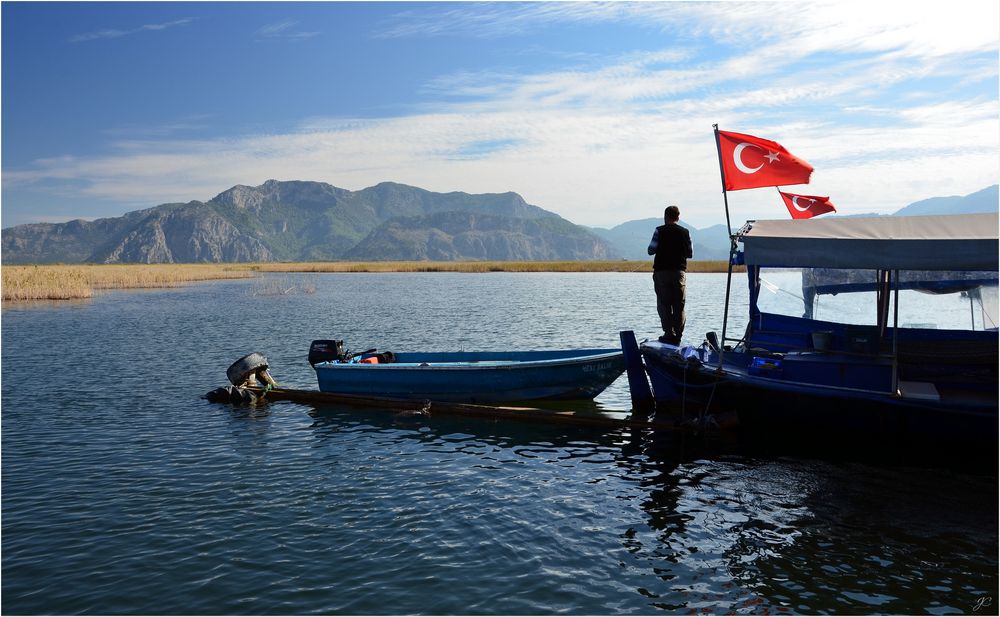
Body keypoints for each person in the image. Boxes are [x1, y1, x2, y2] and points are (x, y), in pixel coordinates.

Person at [648, 205, 693, 345]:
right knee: (679, 305)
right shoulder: (685, 232)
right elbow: (690, 253)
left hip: (661, 273)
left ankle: (668, 334)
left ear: (665, 217)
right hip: (679, 273)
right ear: (678, 217)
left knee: (664, 304)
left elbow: (651, 250)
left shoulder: (659, 231)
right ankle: (677, 336)